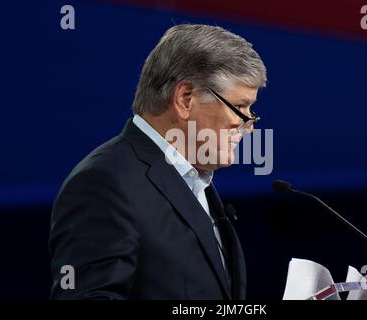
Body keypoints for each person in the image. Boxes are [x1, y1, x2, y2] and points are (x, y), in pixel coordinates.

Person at [49, 24, 267, 299]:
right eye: (240, 107)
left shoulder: (193, 180)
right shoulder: (104, 184)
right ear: (186, 99)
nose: (248, 125)